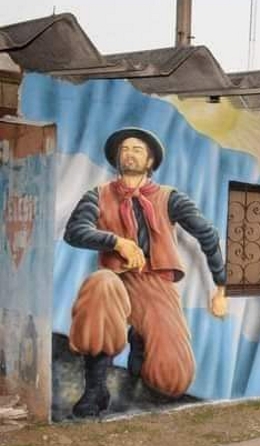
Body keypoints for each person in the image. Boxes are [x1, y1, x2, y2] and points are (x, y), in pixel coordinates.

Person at [64, 128, 228, 418]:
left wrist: (221, 286)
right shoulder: (98, 195)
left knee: (172, 379)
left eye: (137, 149)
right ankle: (96, 387)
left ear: (150, 161)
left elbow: (207, 233)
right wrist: (116, 242)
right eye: (124, 149)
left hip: (154, 282)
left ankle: (140, 341)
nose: (129, 153)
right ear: (117, 157)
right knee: (99, 286)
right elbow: (75, 232)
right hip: (115, 277)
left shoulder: (169, 198)